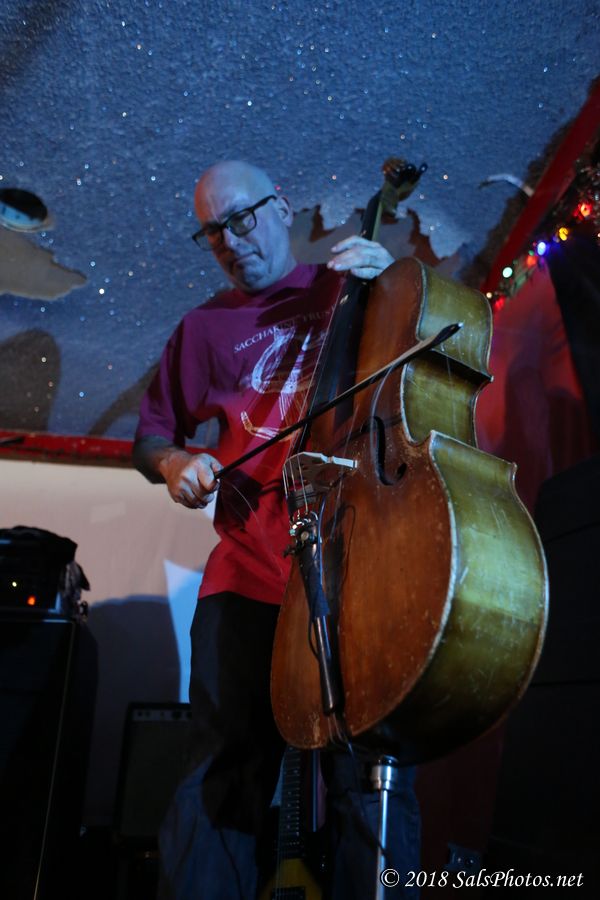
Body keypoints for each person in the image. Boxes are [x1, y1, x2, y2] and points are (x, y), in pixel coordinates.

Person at [134, 160, 420, 899]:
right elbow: (153, 435)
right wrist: (174, 463)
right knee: (222, 771)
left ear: (283, 207)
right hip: (249, 572)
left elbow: (419, 376)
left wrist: (395, 284)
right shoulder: (202, 329)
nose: (231, 241)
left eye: (242, 218)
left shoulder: (349, 286)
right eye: (212, 232)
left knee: (369, 767)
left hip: (352, 566)